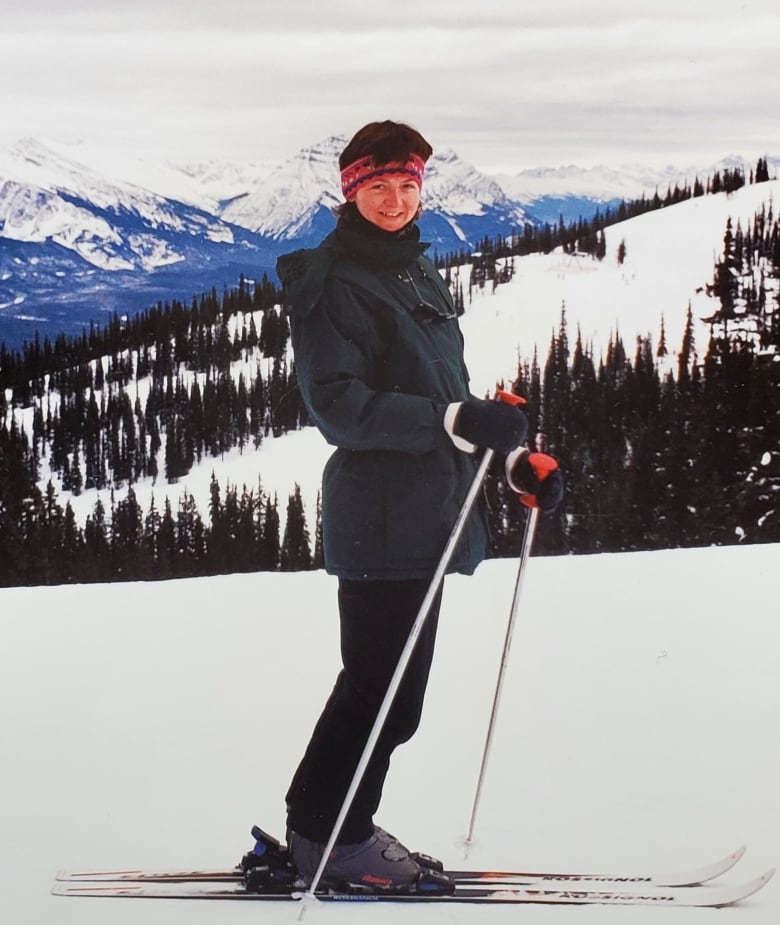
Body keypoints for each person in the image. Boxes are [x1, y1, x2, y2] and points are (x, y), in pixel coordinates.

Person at [275, 120, 562, 893]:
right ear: (351, 191)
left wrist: (507, 457)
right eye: (378, 187)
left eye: (408, 185)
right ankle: (329, 838)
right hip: (380, 518)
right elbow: (340, 406)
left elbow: (443, 401)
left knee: (387, 694)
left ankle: (333, 824)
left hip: (427, 513)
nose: (396, 200)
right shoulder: (333, 279)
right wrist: (452, 420)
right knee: (379, 691)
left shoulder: (410, 272)